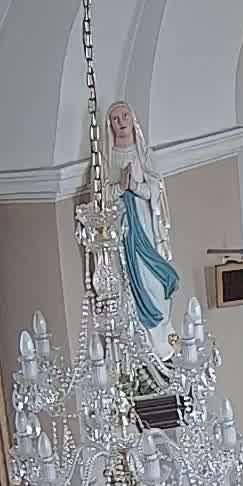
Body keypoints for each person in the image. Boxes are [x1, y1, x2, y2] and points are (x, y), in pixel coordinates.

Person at [104, 101, 181, 381]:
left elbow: (155, 189)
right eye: (115, 119)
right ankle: (145, 347)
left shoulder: (144, 155)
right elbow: (99, 198)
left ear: (133, 119)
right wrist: (119, 188)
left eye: (125, 116)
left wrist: (135, 187)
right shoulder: (107, 159)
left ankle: (163, 342)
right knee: (136, 286)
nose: (121, 122)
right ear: (109, 126)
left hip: (148, 229)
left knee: (158, 282)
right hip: (125, 234)